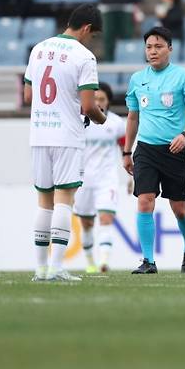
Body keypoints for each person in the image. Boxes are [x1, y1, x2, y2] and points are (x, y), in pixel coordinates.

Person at [24, 4, 107, 282]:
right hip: (67, 136)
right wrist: (101, 118)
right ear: (86, 28)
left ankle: (40, 269)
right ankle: (57, 267)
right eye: (92, 35)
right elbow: (87, 105)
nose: (91, 40)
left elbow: (27, 96)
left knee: (43, 201)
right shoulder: (84, 56)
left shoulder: (39, 48)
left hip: (39, 133)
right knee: (64, 200)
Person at [123, 27, 185, 274]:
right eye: (149, 47)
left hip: (174, 149)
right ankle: (148, 260)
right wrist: (127, 151)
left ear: (170, 48)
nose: (153, 51)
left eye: (158, 46)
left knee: (179, 209)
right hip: (145, 149)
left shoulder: (182, 76)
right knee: (145, 201)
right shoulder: (137, 79)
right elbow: (133, 117)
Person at [73, 83, 127, 274]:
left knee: (106, 218)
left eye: (102, 99)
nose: (98, 103)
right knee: (87, 224)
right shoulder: (78, 121)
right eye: (94, 99)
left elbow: (125, 150)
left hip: (107, 179)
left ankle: (104, 262)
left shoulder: (117, 123)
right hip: (83, 180)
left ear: (108, 101)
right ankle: (90, 262)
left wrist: (132, 176)